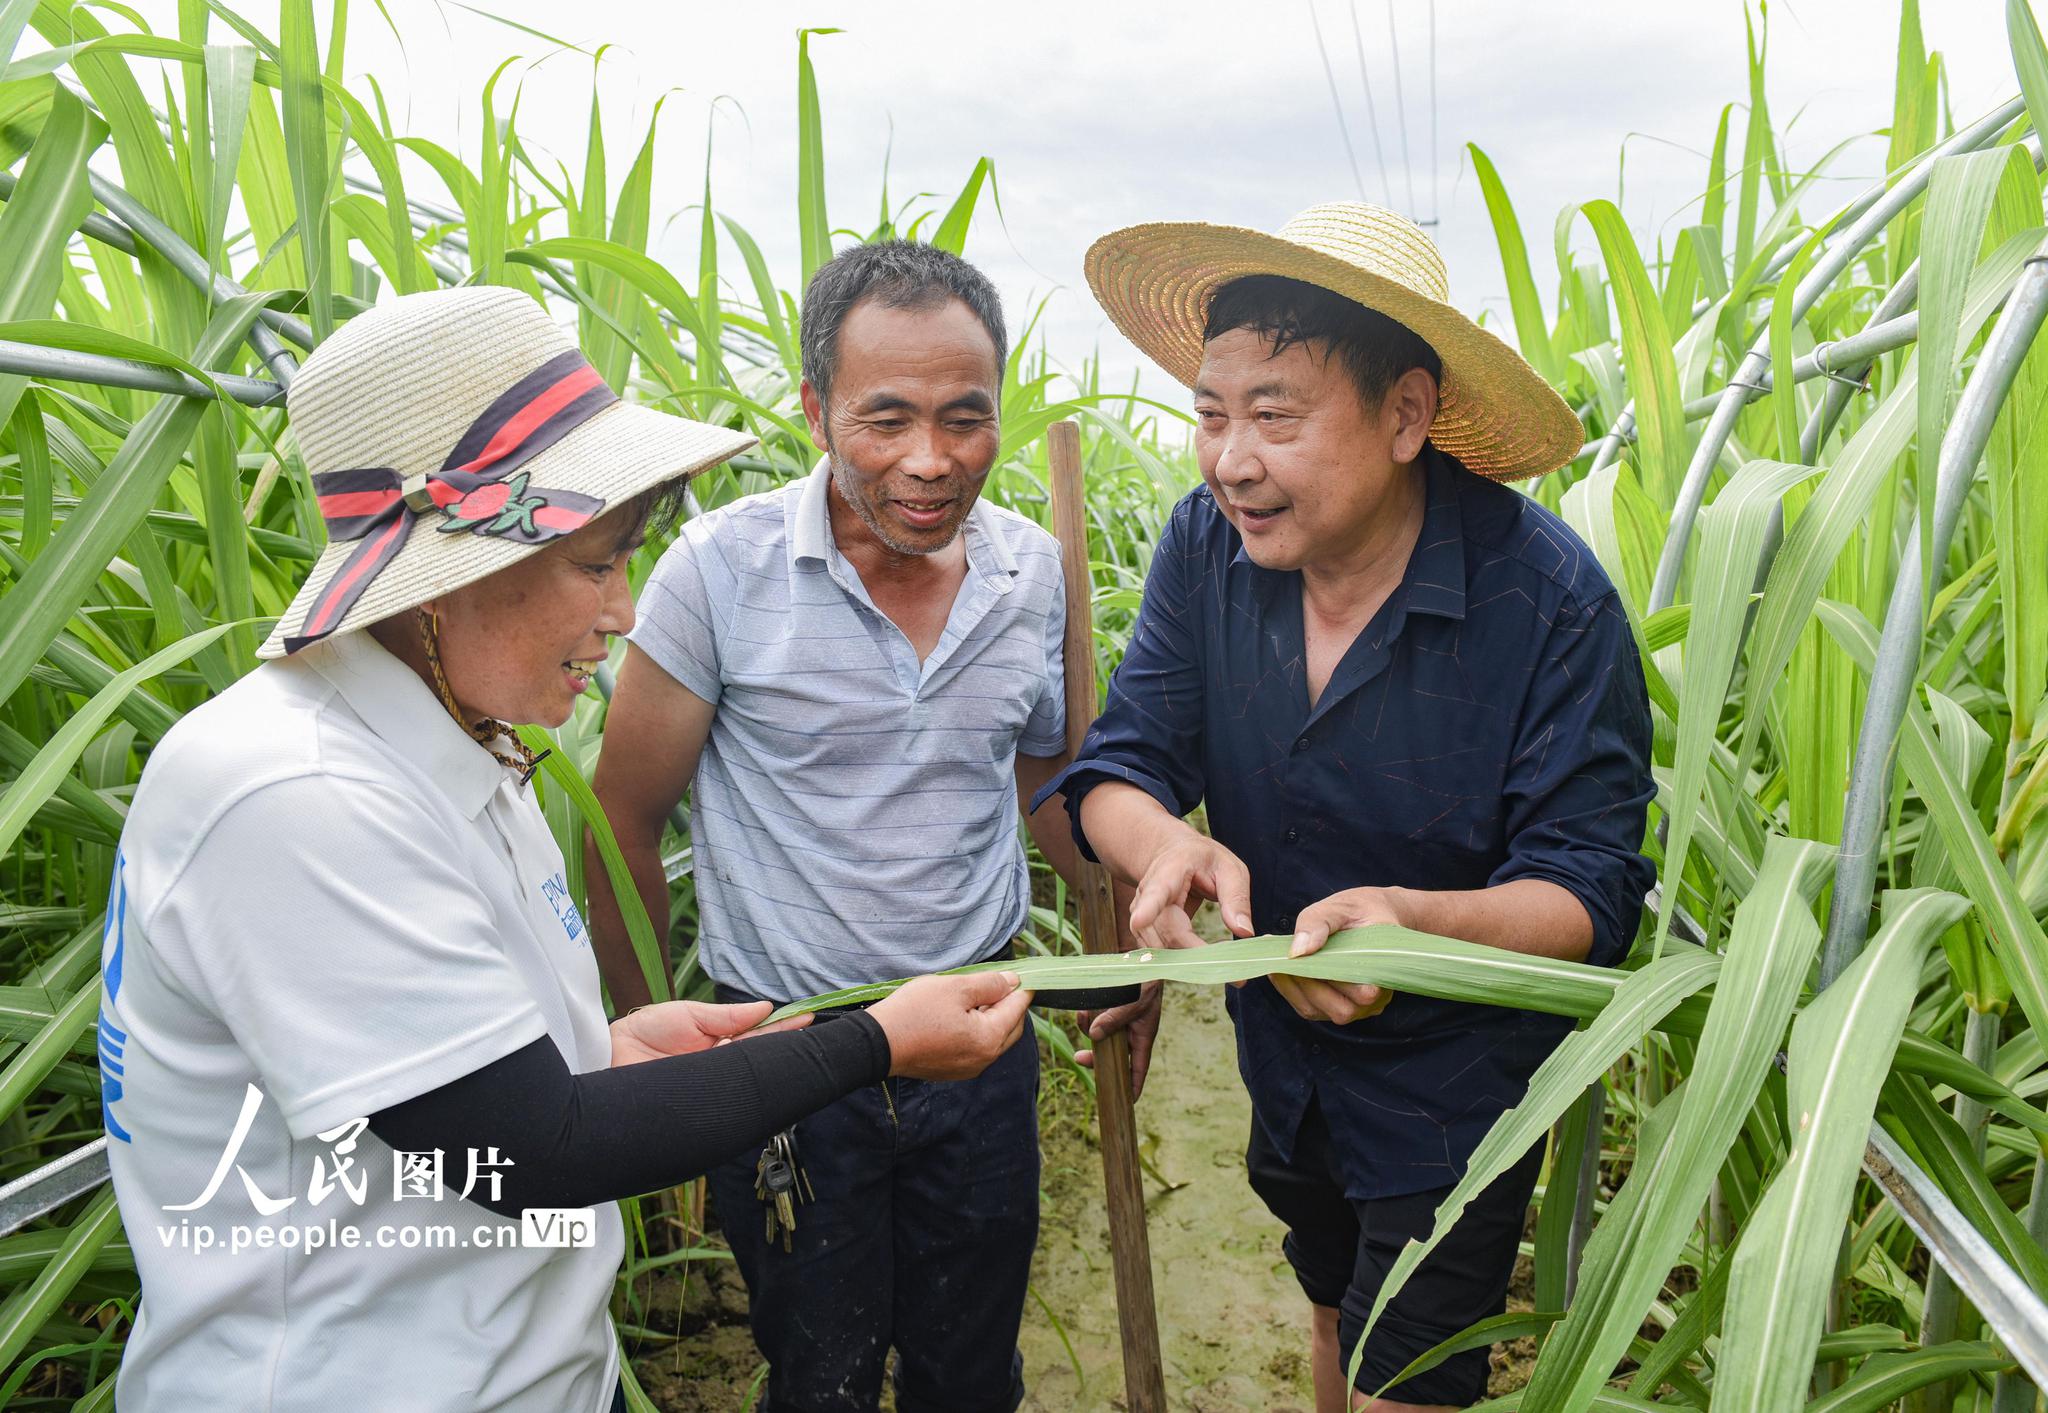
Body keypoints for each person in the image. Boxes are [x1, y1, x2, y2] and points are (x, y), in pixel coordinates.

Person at [97, 286, 1034, 1413]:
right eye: (596, 565)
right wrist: (873, 1041)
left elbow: (467, 1072)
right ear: (450, 571)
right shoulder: (293, 791)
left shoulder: (459, 748)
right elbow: (529, 1148)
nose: (626, 612)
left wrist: (608, 1045)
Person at [1041, 204, 1656, 1412]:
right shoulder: (1204, 550)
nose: (1229, 461)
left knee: (1405, 1377)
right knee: (1326, 1301)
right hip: (1286, 1052)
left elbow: (1586, 892)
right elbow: (1117, 769)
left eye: (1273, 415)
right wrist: (1160, 846)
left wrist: (1408, 922)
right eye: (1211, 416)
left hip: (1456, 1086)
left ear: (1406, 416)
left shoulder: (1544, 603)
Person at [588, 241, 1092, 1413]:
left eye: (965, 419)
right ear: (815, 409)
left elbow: (1051, 788)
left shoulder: (1031, 575)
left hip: (979, 1042)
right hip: (787, 1059)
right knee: (819, 1373)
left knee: (972, 1373)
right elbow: (623, 821)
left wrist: (1130, 918)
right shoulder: (721, 571)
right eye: (886, 419)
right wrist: (637, 1061)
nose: (930, 460)